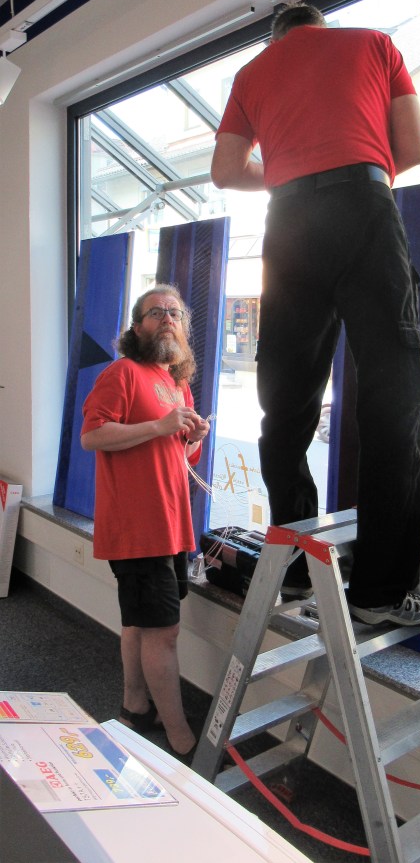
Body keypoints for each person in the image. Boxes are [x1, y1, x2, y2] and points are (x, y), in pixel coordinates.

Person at [210, 1, 420, 627]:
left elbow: (226, 171)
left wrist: (288, 174)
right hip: (363, 203)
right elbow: (414, 147)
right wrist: (356, 171)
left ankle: (295, 563)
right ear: (322, 26)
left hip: (289, 221)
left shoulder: (252, 74)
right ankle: (378, 592)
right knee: (393, 394)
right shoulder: (374, 44)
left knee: (285, 400)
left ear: (278, 37)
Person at [81, 284, 210, 759]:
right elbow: (92, 436)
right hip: (138, 529)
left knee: (140, 622)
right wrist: (159, 425)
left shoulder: (175, 382)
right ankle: (180, 736)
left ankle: (135, 706)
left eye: (175, 312)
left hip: (171, 524)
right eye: (156, 312)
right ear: (137, 327)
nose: (168, 318)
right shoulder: (123, 372)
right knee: (163, 632)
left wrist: (193, 437)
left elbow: (177, 453)